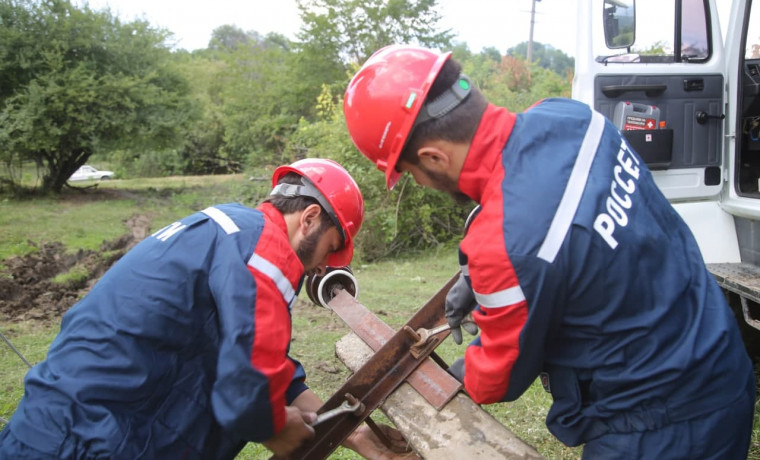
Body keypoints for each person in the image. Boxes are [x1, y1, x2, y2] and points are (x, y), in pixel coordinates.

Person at [343, 45, 756, 459]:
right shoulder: (570, 116)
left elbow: (499, 377)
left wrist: (451, 379)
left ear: (434, 157)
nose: (421, 182)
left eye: (412, 174)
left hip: (660, 426)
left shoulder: (504, 242)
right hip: (719, 356)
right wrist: (485, 273)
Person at [0, 158, 411, 459]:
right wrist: (274, 426)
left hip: (54, 425)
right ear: (309, 218)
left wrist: (355, 435)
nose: (323, 266)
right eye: (331, 248)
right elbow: (246, 394)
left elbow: (257, 363)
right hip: (90, 439)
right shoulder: (266, 254)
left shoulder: (230, 229)